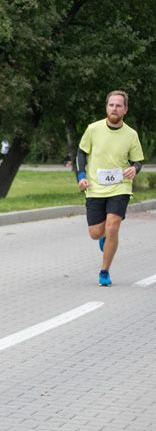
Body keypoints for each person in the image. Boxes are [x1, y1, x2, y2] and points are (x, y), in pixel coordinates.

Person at [76, 90, 144, 286]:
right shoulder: (93, 129)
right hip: (96, 187)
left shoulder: (131, 134)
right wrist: (81, 176)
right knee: (96, 233)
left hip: (120, 186)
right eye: (111, 105)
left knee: (113, 225)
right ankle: (104, 237)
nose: (114, 108)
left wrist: (134, 169)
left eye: (118, 105)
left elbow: (138, 160)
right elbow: (81, 152)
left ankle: (104, 272)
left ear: (125, 109)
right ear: (107, 107)